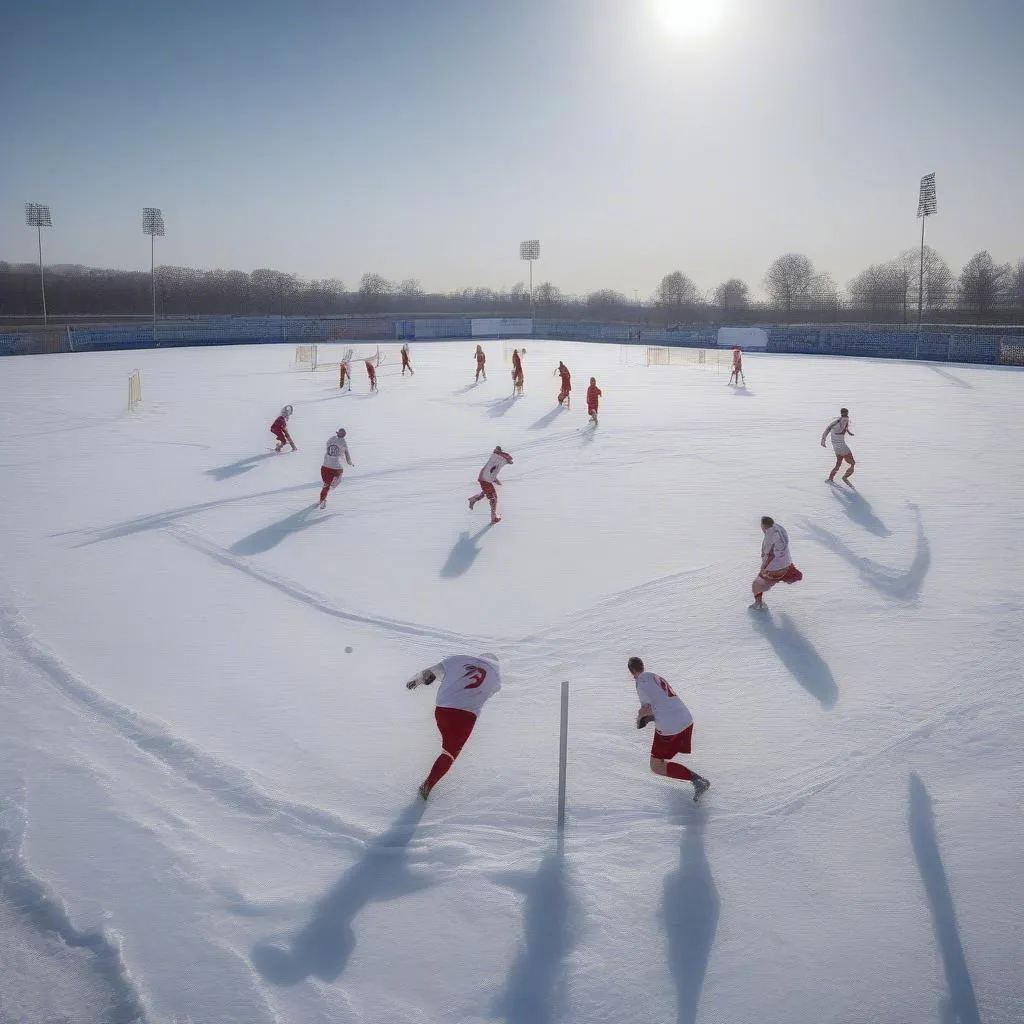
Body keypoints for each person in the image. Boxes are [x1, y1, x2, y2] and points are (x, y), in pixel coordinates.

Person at [406, 653, 502, 799]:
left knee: (447, 741)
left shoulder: (458, 659)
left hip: (442, 710)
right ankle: (427, 786)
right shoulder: (496, 678)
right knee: (450, 753)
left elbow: (433, 672)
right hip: (466, 717)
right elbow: (491, 690)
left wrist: (419, 678)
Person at [628, 657, 709, 803]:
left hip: (670, 726)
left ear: (632, 673)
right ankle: (697, 780)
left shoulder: (641, 681)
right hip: (686, 719)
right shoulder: (654, 676)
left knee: (656, 765)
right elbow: (660, 704)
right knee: (661, 760)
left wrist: (640, 719)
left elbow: (647, 710)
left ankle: (698, 781)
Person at [751, 516, 802, 610]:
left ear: (763, 525)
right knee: (787, 572)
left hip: (775, 567)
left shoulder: (769, 538)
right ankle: (789, 578)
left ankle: (758, 604)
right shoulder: (779, 528)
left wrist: (763, 568)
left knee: (757, 584)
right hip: (787, 562)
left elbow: (768, 555)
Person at [468, 445, 513, 525]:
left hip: (485, 479)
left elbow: (491, 471)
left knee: (487, 493)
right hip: (485, 480)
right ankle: (494, 518)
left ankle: (474, 499)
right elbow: (491, 471)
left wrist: (495, 480)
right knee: (493, 498)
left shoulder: (495, 459)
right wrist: (494, 479)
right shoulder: (497, 460)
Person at [319, 428, 353, 509]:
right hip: (332, 467)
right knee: (330, 483)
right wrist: (349, 462)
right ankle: (323, 499)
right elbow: (346, 454)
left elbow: (345, 453)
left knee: (327, 484)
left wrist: (349, 462)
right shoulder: (341, 442)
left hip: (327, 466)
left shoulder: (333, 439)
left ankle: (323, 499)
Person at [821, 407, 855, 484]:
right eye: (845, 414)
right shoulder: (838, 421)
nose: (846, 416)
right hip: (841, 446)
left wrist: (849, 432)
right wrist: (823, 440)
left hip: (837, 446)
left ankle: (830, 478)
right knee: (852, 463)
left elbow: (845, 427)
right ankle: (844, 477)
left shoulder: (843, 420)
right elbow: (828, 429)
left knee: (839, 463)